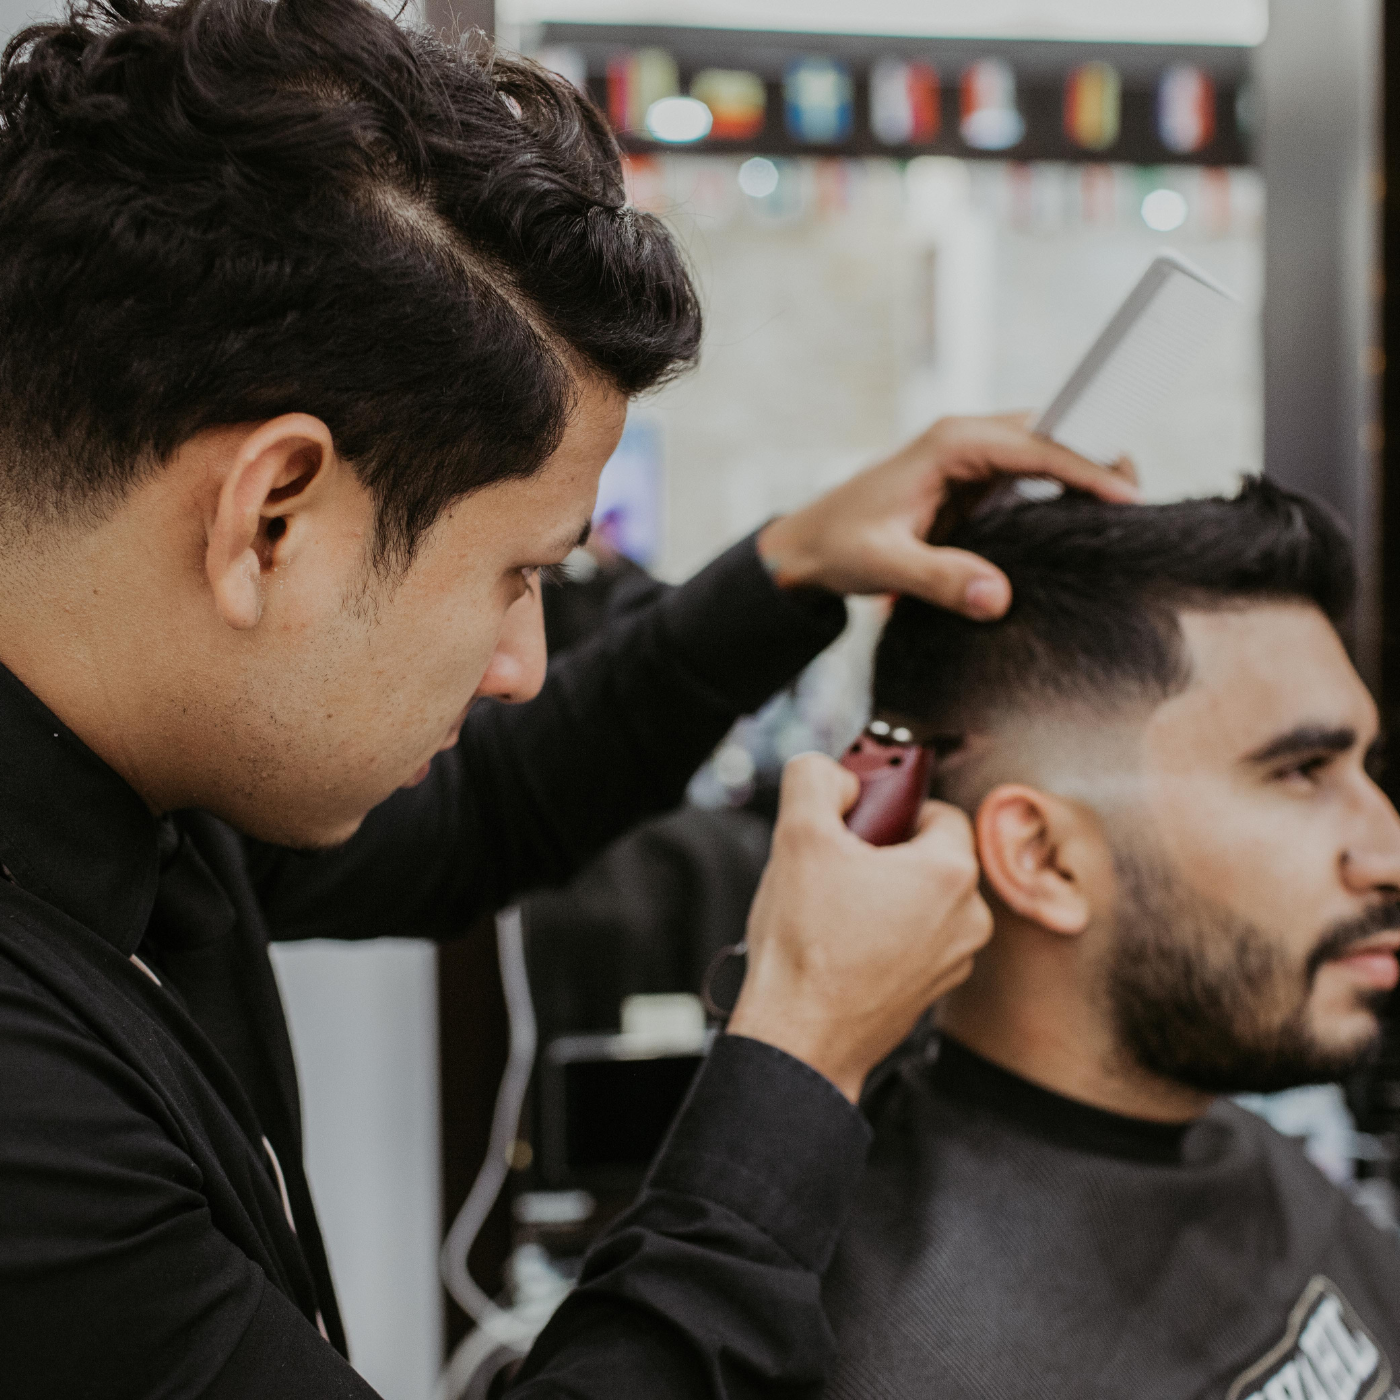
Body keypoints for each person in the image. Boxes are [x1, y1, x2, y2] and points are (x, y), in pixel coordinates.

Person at [0, 0, 1138, 1396]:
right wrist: (797, 1051)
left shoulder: (135, 787)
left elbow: (481, 813)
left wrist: (787, 569)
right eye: (517, 576)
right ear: (272, 518)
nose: (522, 662)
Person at [822, 479, 1400, 1400]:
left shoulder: (1228, 1136)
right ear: (1045, 857)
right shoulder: (910, 1357)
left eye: (1363, 768)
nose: (1388, 851)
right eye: (1299, 771)